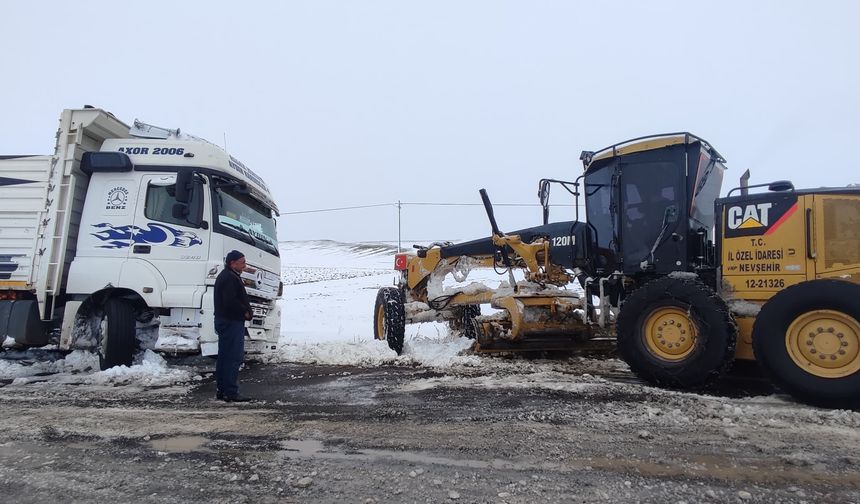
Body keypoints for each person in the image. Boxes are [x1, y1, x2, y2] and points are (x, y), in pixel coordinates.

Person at [214, 249, 253, 402]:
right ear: (233, 263)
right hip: (231, 322)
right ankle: (231, 392)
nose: (245, 265)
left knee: (224, 357)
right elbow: (230, 301)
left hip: (226, 321)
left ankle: (222, 390)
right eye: (242, 262)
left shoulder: (228, 275)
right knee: (232, 357)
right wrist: (245, 311)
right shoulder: (229, 278)